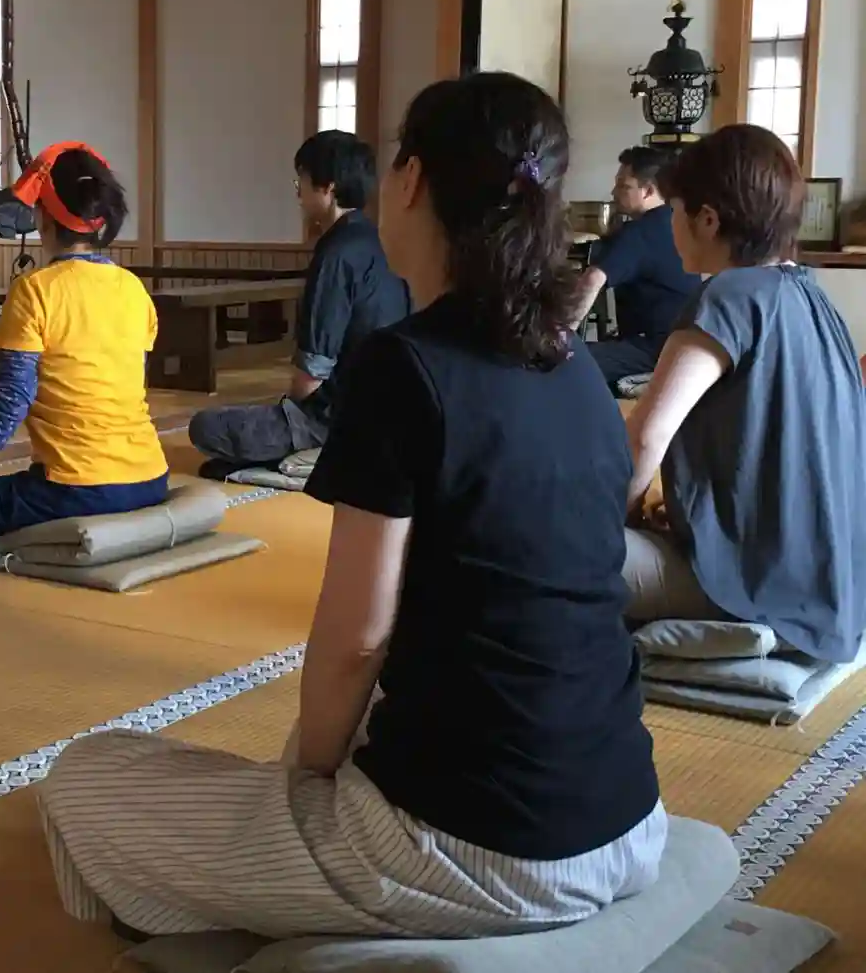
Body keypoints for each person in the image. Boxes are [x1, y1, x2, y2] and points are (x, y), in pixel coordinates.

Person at [38, 74, 664, 941]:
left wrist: (306, 784)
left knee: (84, 774)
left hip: (477, 848)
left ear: (411, 179)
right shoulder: (576, 367)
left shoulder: (405, 367)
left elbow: (356, 639)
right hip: (630, 820)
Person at [622, 125, 865, 664]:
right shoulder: (813, 297)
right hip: (834, 588)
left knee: (538, 547)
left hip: (754, 586)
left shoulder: (729, 296)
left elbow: (645, 439)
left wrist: (615, 519)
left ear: (708, 219)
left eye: (675, 211)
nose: (671, 227)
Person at [0, 143, 169, 547]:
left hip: (79, 486)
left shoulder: (35, 290)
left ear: (42, 217)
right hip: (150, 478)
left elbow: (14, 394)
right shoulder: (134, 289)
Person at [187, 131, 409, 472]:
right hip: (390, 409)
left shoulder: (336, 252)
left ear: (328, 188)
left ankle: (320, 457)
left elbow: (311, 377)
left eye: (302, 182)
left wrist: (289, 412)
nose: (298, 194)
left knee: (206, 426)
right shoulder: (379, 241)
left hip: (337, 416)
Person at [573, 146, 702, 390]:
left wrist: (563, 336)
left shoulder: (640, 232)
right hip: (682, 344)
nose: (614, 192)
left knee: (568, 361)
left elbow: (592, 279)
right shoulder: (671, 221)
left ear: (648, 191)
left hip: (655, 348)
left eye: (623, 186)